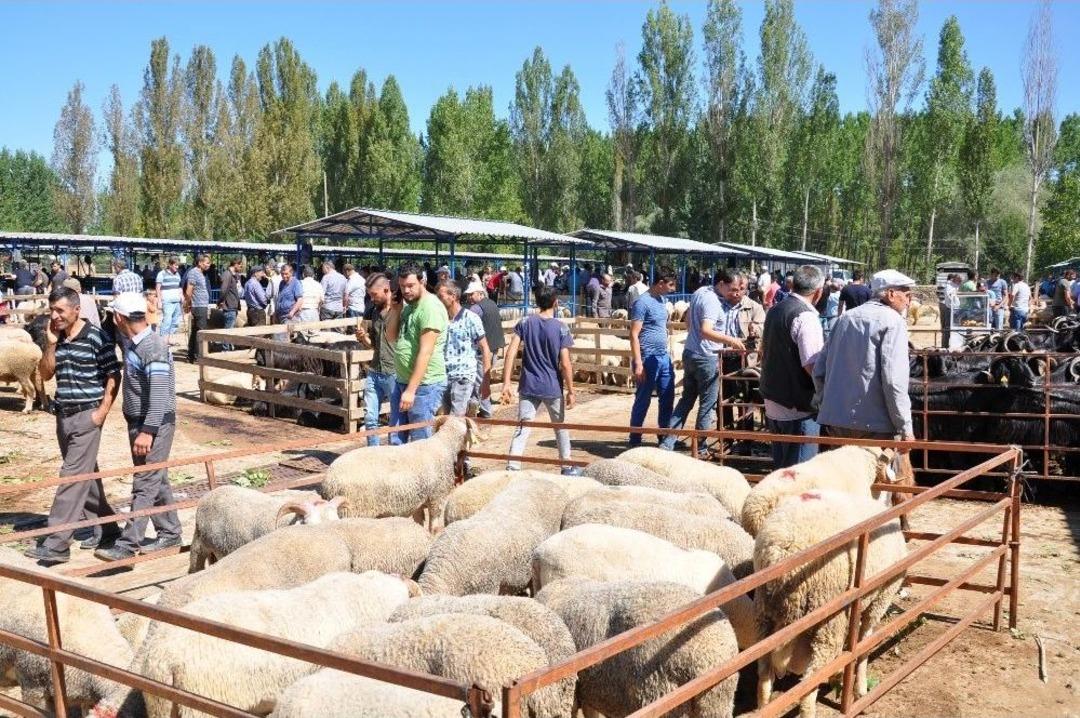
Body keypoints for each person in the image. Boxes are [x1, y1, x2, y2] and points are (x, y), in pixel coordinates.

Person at [24, 287, 123, 563]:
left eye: (60, 311)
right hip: (63, 417)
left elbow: (113, 375)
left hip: (86, 417)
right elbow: (45, 373)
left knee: (71, 478)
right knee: (85, 477)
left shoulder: (96, 337)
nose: (54, 316)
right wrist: (51, 343)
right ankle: (108, 529)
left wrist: (101, 413)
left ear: (76, 310)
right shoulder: (58, 338)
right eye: (51, 310)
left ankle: (57, 543)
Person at [92, 293, 182, 561]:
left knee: (144, 481)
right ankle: (170, 533)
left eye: (113, 316)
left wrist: (148, 430)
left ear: (119, 317)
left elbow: (159, 392)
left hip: (153, 423)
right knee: (156, 478)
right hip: (140, 421)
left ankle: (129, 543)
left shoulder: (152, 347)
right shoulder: (134, 343)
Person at [813, 269, 915, 442]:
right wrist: (905, 427)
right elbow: (893, 380)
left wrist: (827, 404)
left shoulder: (845, 318)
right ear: (891, 294)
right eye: (907, 295)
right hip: (875, 426)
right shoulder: (893, 322)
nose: (909, 302)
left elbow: (819, 369)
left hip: (837, 422)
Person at [660, 269, 746, 455]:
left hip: (691, 352)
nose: (734, 292)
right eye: (731, 288)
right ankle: (700, 447)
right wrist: (731, 340)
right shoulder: (713, 301)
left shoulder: (700, 292)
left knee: (686, 400)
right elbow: (706, 330)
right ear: (721, 283)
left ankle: (668, 442)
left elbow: (688, 317)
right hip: (707, 357)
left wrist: (693, 336)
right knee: (707, 405)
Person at [500, 284, 579, 475]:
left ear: (536, 301)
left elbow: (511, 352)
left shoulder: (525, 323)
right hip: (552, 386)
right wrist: (571, 389)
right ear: (556, 302)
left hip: (529, 385)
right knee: (560, 427)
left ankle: (513, 466)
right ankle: (566, 465)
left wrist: (506, 382)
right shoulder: (561, 328)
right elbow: (566, 363)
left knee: (523, 426)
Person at [760, 265, 826, 469]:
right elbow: (812, 365)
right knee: (799, 475)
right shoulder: (805, 317)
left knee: (782, 470)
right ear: (819, 292)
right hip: (798, 407)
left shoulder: (775, 309)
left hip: (774, 401)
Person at [392, 263, 448, 443]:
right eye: (402, 287)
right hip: (403, 380)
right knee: (396, 437)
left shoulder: (430, 307)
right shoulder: (408, 307)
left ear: (422, 281)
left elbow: (426, 352)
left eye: (410, 286)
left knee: (420, 440)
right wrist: (395, 310)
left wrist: (411, 390)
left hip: (424, 385)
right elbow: (392, 337)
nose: (406, 291)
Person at [628, 269, 677, 447]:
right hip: (647, 356)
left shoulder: (661, 300)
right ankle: (634, 439)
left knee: (667, 396)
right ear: (660, 283)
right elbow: (634, 334)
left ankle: (663, 436)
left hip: (662, 356)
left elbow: (661, 327)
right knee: (643, 398)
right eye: (670, 285)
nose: (672, 289)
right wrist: (638, 362)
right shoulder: (642, 302)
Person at [354, 273, 401, 446]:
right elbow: (373, 345)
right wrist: (363, 338)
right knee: (370, 417)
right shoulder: (375, 313)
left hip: (393, 372)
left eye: (374, 295)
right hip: (375, 370)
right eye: (370, 295)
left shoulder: (400, 312)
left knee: (394, 420)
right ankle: (373, 452)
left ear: (386, 290)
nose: (372, 299)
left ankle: (394, 455)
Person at [436, 280, 491, 420]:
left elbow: (485, 347)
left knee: (455, 421)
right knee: (448, 420)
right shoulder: (442, 319)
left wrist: (485, 380)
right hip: (444, 376)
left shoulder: (470, 318)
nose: (438, 300)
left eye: (441, 296)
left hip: (462, 376)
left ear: (453, 296)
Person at [467, 280, 505, 418]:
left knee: (479, 379)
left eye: (472, 294)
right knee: (484, 377)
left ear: (480, 293)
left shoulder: (476, 309)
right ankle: (479, 406)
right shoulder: (492, 304)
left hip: (482, 350)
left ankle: (483, 408)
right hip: (494, 346)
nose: (469, 297)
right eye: (469, 295)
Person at [183, 254, 211, 363]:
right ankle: (200, 356)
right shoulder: (194, 273)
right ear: (200, 263)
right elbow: (189, 291)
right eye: (207, 263)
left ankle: (192, 355)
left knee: (195, 331)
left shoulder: (201, 274)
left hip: (202, 305)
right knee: (201, 331)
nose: (209, 265)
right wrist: (187, 304)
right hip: (198, 306)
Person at [155, 257, 183, 340]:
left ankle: (168, 339)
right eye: (175, 265)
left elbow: (179, 287)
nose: (177, 267)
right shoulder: (162, 274)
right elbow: (158, 288)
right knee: (167, 321)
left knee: (175, 322)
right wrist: (159, 301)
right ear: (170, 265)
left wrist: (181, 295)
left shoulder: (177, 274)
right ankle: (162, 340)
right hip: (167, 301)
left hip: (177, 301)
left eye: (178, 265)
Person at [218, 257, 243, 350]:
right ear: (235, 264)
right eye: (240, 266)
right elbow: (223, 290)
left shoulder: (233, 275)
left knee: (230, 329)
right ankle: (225, 350)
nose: (241, 268)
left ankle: (228, 348)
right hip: (229, 307)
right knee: (228, 330)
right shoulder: (227, 275)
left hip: (233, 306)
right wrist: (220, 302)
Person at [940, 273, 961, 347]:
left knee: (956, 329)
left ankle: (955, 345)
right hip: (950, 309)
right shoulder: (949, 286)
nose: (960, 281)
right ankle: (944, 346)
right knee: (948, 329)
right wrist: (956, 292)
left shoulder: (957, 286)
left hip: (957, 309)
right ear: (954, 279)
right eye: (959, 280)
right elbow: (950, 295)